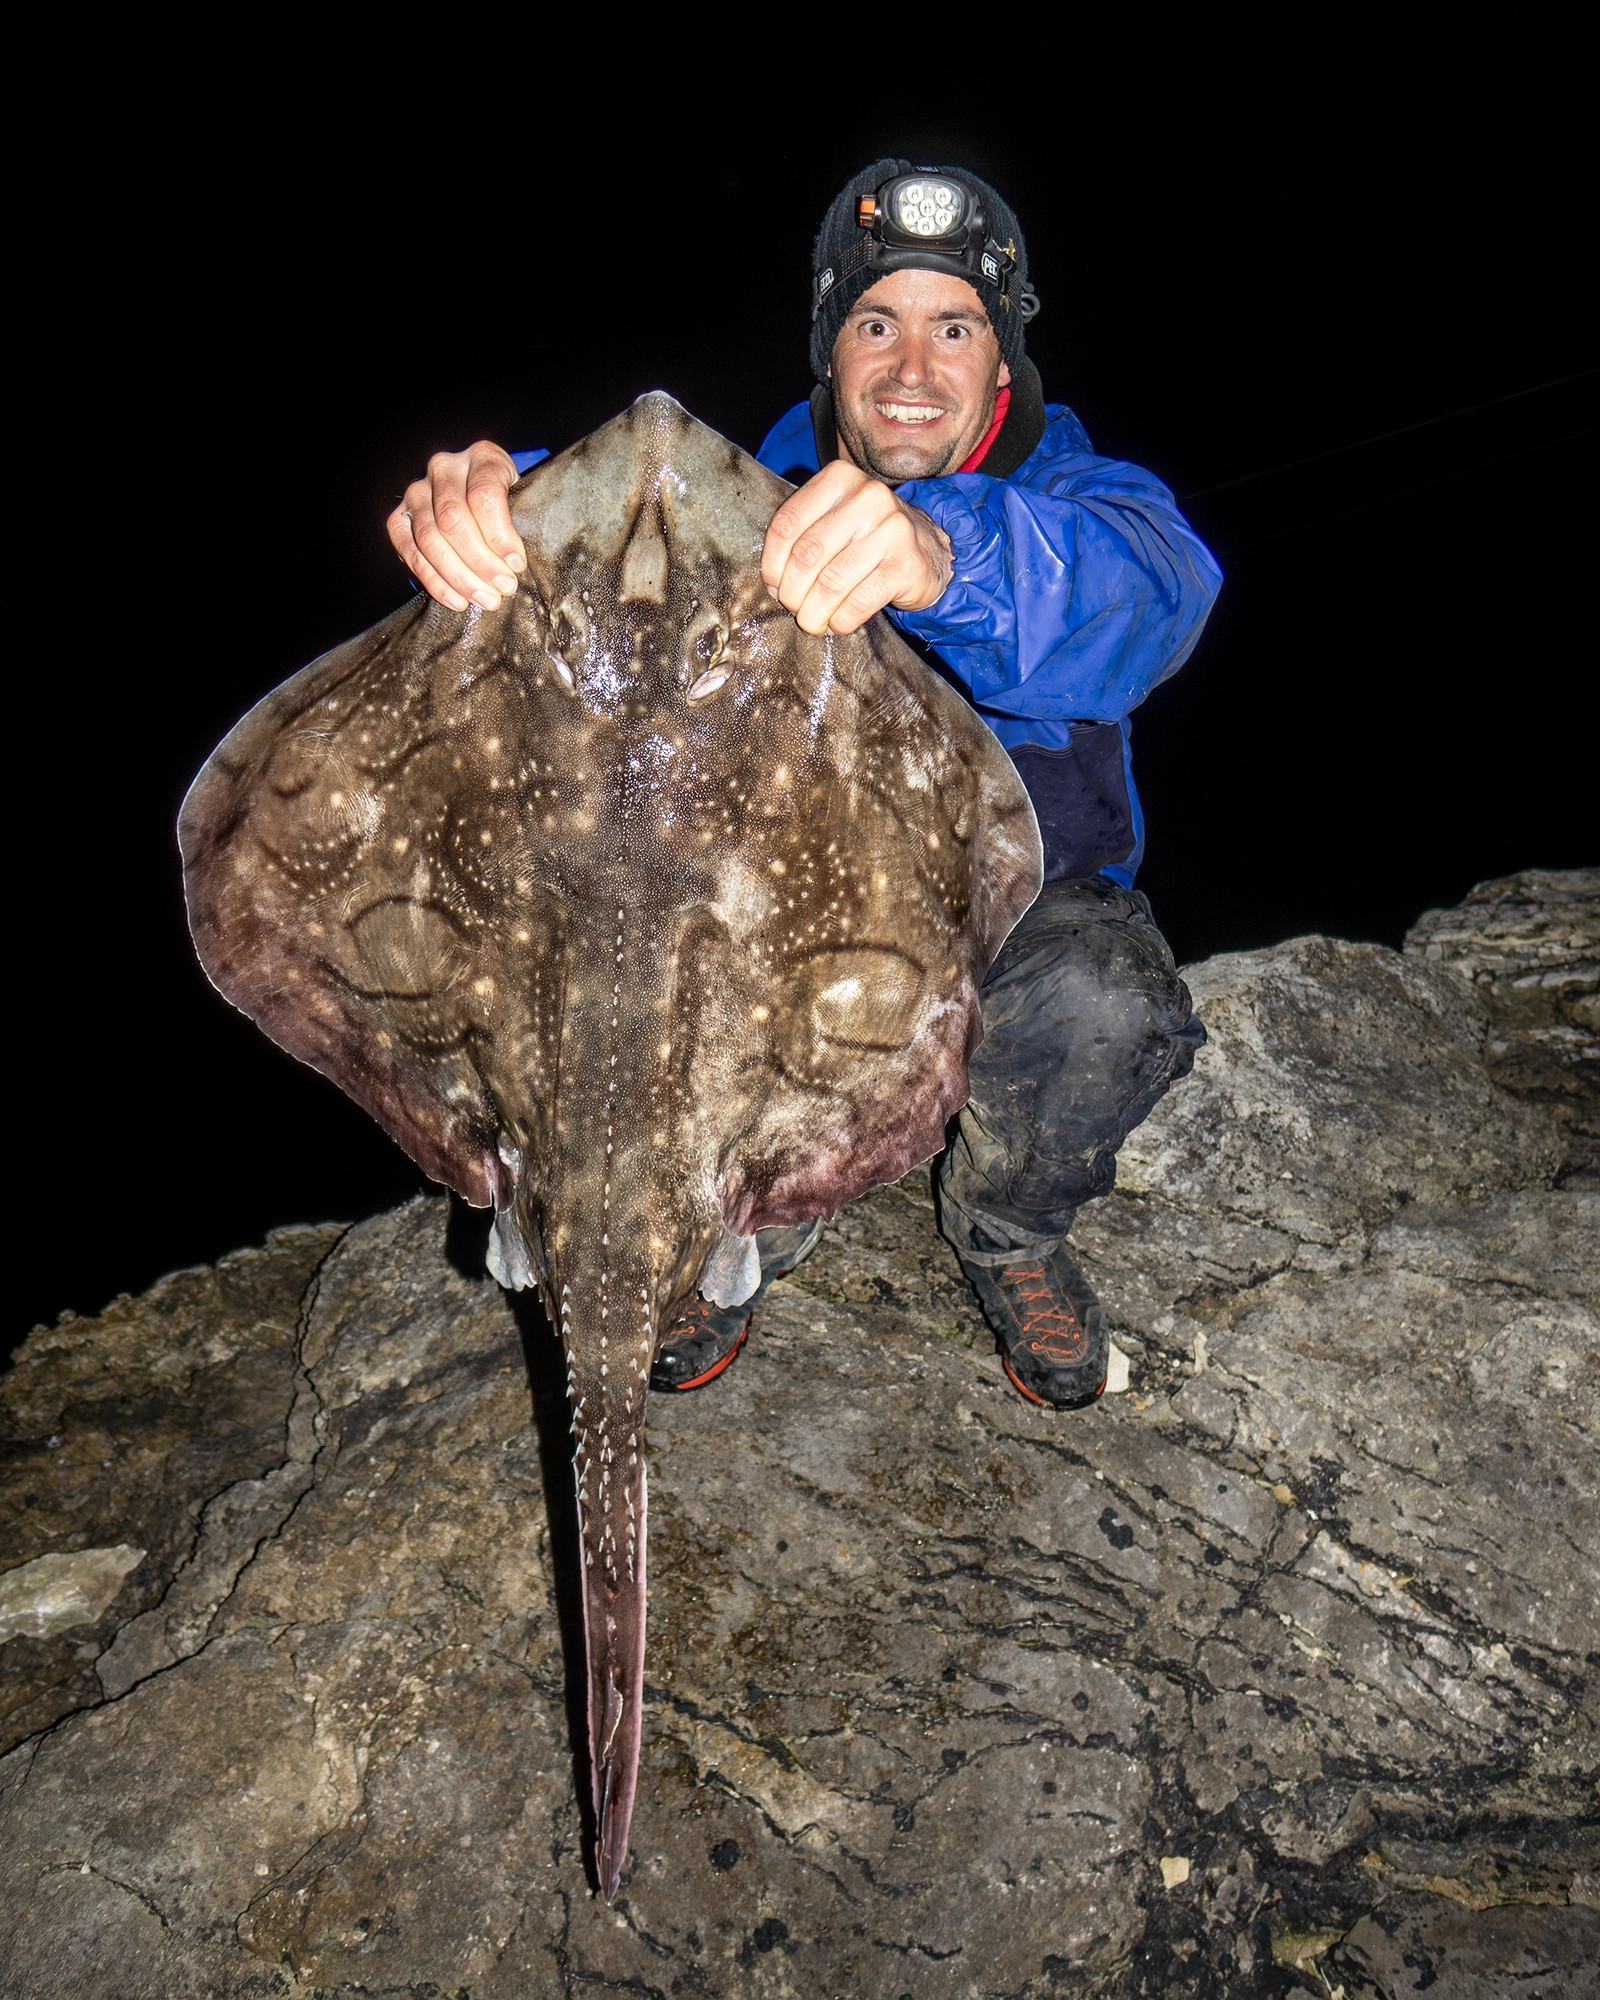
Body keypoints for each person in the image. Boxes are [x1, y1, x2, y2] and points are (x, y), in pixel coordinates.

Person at [387, 160, 1221, 1411]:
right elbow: (623, 503)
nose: (911, 367)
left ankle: (1008, 1229)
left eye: (955, 328)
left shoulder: (1077, 500)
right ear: (829, 352)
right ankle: (746, 1226)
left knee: (1105, 1007)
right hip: (774, 928)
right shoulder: (747, 507)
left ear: (1004, 364)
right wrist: (490, 502)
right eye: (875, 324)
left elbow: (1155, 593)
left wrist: (945, 552)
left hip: (1011, 916)